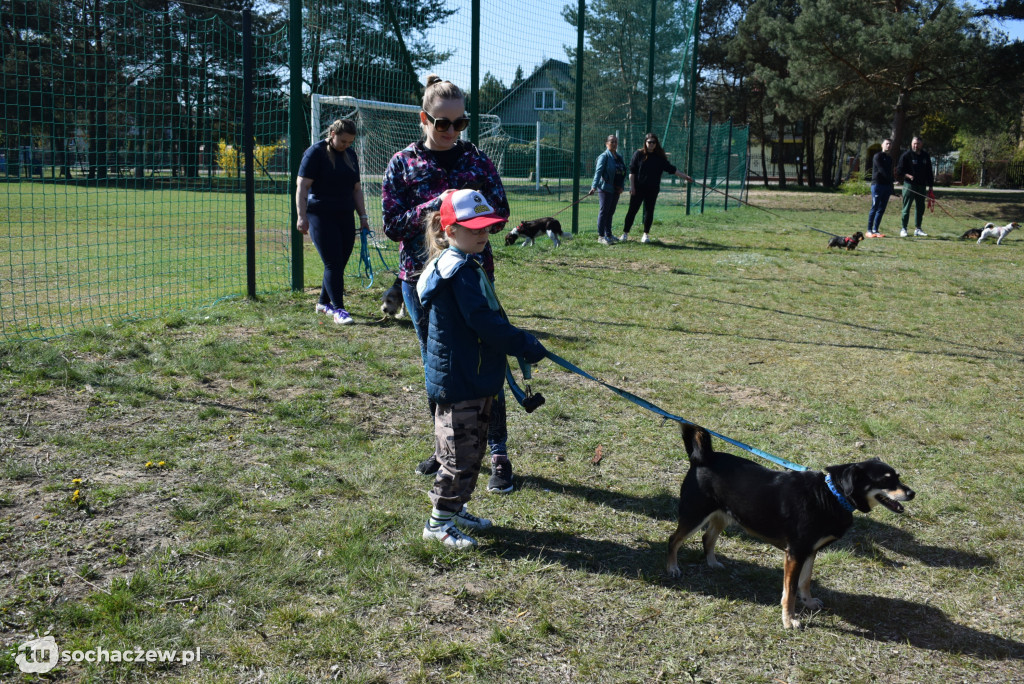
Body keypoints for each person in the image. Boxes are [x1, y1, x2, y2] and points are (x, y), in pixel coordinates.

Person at [382, 75, 517, 494]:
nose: (452, 132)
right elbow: (392, 225)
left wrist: (472, 207)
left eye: (460, 123)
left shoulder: (476, 160)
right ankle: (446, 451)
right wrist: (441, 206)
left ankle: (497, 453)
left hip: (474, 279)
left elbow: (502, 210)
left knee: (486, 361)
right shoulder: (402, 164)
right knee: (438, 366)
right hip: (421, 282)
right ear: (424, 119)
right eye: (443, 123)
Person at [416, 190, 547, 548]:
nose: (482, 235)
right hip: (461, 381)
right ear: (449, 230)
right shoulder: (457, 272)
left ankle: (456, 509)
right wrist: (524, 343)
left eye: (486, 228)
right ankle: (438, 523)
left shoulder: (466, 265)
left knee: (472, 453)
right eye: (473, 228)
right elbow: (483, 322)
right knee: (459, 457)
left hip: (474, 377)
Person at [295, 119, 370, 324]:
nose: (346, 145)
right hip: (320, 214)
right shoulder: (315, 153)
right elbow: (302, 185)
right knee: (332, 262)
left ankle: (322, 303)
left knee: (339, 263)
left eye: (350, 142)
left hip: (345, 214)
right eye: (343, 141)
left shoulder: (351, 155)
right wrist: (301, 216)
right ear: (333, 133)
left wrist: (363, 217)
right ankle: (339, 310)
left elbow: (356, 189)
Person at [619, 133, 693, 244]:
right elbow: (632, 172)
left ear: (656, 143)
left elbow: (672, 169)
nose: (651, 144)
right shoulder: (638, 154)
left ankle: (645, 235)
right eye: (649, 142)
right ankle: (625, 233)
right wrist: (632, 187)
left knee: (649, 211)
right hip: (638, 188)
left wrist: (685, 177)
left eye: (654, 142)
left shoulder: (660, 157)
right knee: (632, 211)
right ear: (645, 142)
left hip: (652, 189)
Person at [587, 134, 626, 245]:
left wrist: (622, 186)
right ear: (606, 143)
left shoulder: (619, 157)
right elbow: (598, 172)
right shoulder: (604, 157)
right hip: (605, 189)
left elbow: (623, 172)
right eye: (611, 142)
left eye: (615, 142)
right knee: (604, 212)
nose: (614, 144)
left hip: (616, 189)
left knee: (611, 212)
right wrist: (594, 186)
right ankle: (601, 236)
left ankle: (608, 234)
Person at [895, 136, 933, 238]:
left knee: (920, 208)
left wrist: (931, 186)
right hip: (909, 185)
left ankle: (918, 228)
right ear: (911, 144)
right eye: (914, 143)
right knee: (906, 208)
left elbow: (929, 172)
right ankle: (904, 228)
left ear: (922, 144)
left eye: (918, 144)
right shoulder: (906, 155)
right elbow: (899, 170)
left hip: (921, 186)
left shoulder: (925, 156)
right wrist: (907, 175)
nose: (916, 145)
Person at [866, 138, 894, 238]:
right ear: (882, 145)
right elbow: (881, 170)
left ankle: (875, 229)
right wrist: (890, 180)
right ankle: (869, 230)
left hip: (886, 187)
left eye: (890, 144)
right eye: (887, 144)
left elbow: (890, 173)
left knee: (881, 209)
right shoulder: (877, 156)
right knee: (875, 207)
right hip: (877, 185)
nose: (888, 146)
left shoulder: (890, 158)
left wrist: (892, 185)